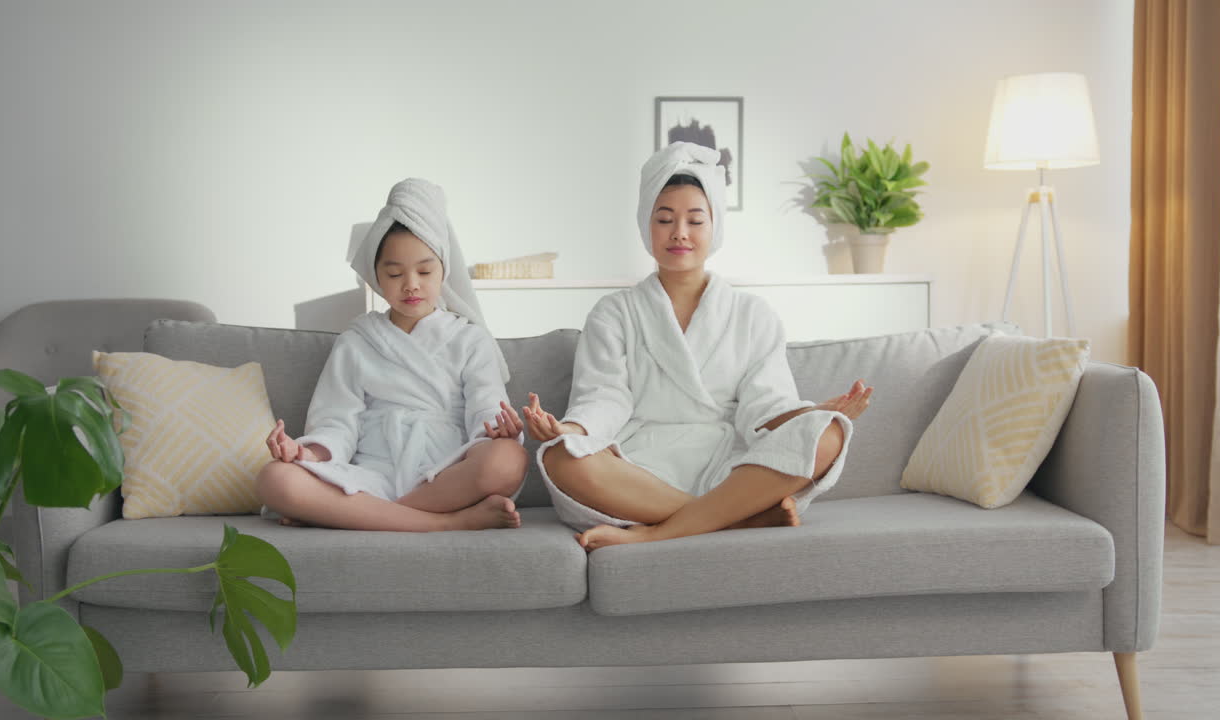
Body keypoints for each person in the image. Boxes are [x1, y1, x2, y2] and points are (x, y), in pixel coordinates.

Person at [523, 142, 872, 551]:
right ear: (645, 226)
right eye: (665, 219)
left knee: (828, 433)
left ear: (714, 227)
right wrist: (571, 429)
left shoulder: (752, 314)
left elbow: (766, 404)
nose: (680, 233)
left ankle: (662, 530)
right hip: (639, 466)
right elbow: (604, 398)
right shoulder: (614, 312)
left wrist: (811, 414)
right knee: (559, 457)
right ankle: (733, 518)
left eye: (695, 220)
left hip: (728, 465)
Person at [257, 178, 527, 531]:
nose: (411, 284)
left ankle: (366, 516)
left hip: (444, 476)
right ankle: (445, 524)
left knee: (508, 460)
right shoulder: (357, 341)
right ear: (377, 277)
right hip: (371, 475)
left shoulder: (469, 339)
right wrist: (307, 455)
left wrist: (498, 430)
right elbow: (336, 424)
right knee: (275, 479)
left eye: (425, 271)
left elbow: (486, 409)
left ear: (444, 270)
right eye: (395, 273)